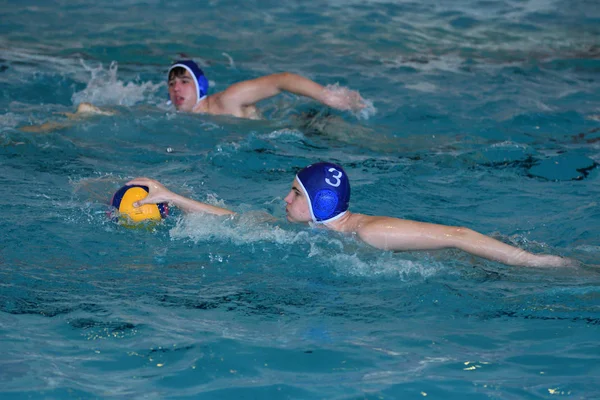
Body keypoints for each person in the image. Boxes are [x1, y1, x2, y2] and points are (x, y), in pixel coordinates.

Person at [125, 162, 574, 268]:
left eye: (295, 194)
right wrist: (175, 198)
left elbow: (456, 234)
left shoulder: (372, 233)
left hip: (483, 266)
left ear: (320, 204)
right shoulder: (316, 229)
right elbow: (233, 219)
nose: (285, 200)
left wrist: (534, 263)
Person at [166, 59, 366, 119]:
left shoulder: (228, 99)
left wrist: (327, 96)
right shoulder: (172, 114)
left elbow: (281, 80)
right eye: (172, 84)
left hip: (309, 127)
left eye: (184, 81)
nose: (177, 89)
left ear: (201, 85)